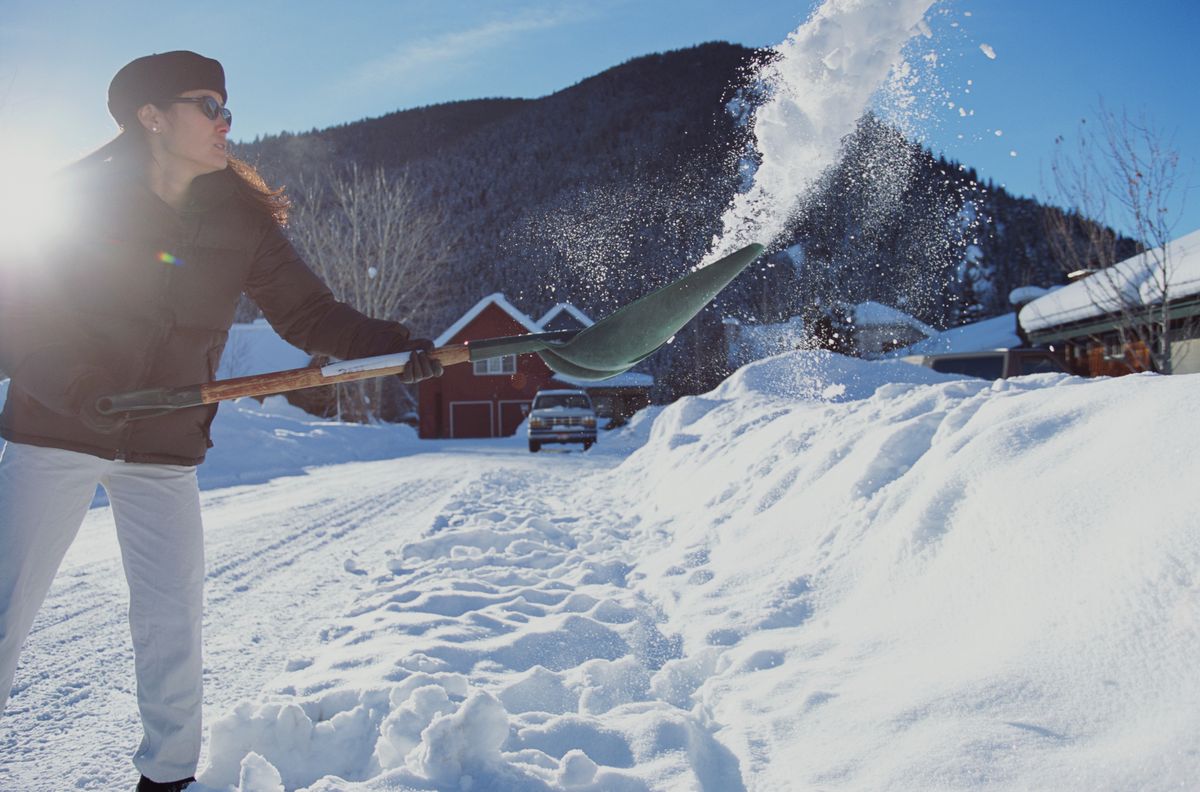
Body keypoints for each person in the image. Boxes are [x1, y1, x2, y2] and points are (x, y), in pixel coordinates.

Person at [0, 51, 443, 792]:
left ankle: (168, 778)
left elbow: (309, 313)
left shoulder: (242, 220)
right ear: (150, 115)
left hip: (166, 442)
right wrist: (78, 387)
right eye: (208, 105)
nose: (225, 122)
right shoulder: (70, 201)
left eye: (228, 107)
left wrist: (394, 347)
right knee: (7, 609)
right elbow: (20, 314)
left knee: (173, 622)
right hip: (58, 429)